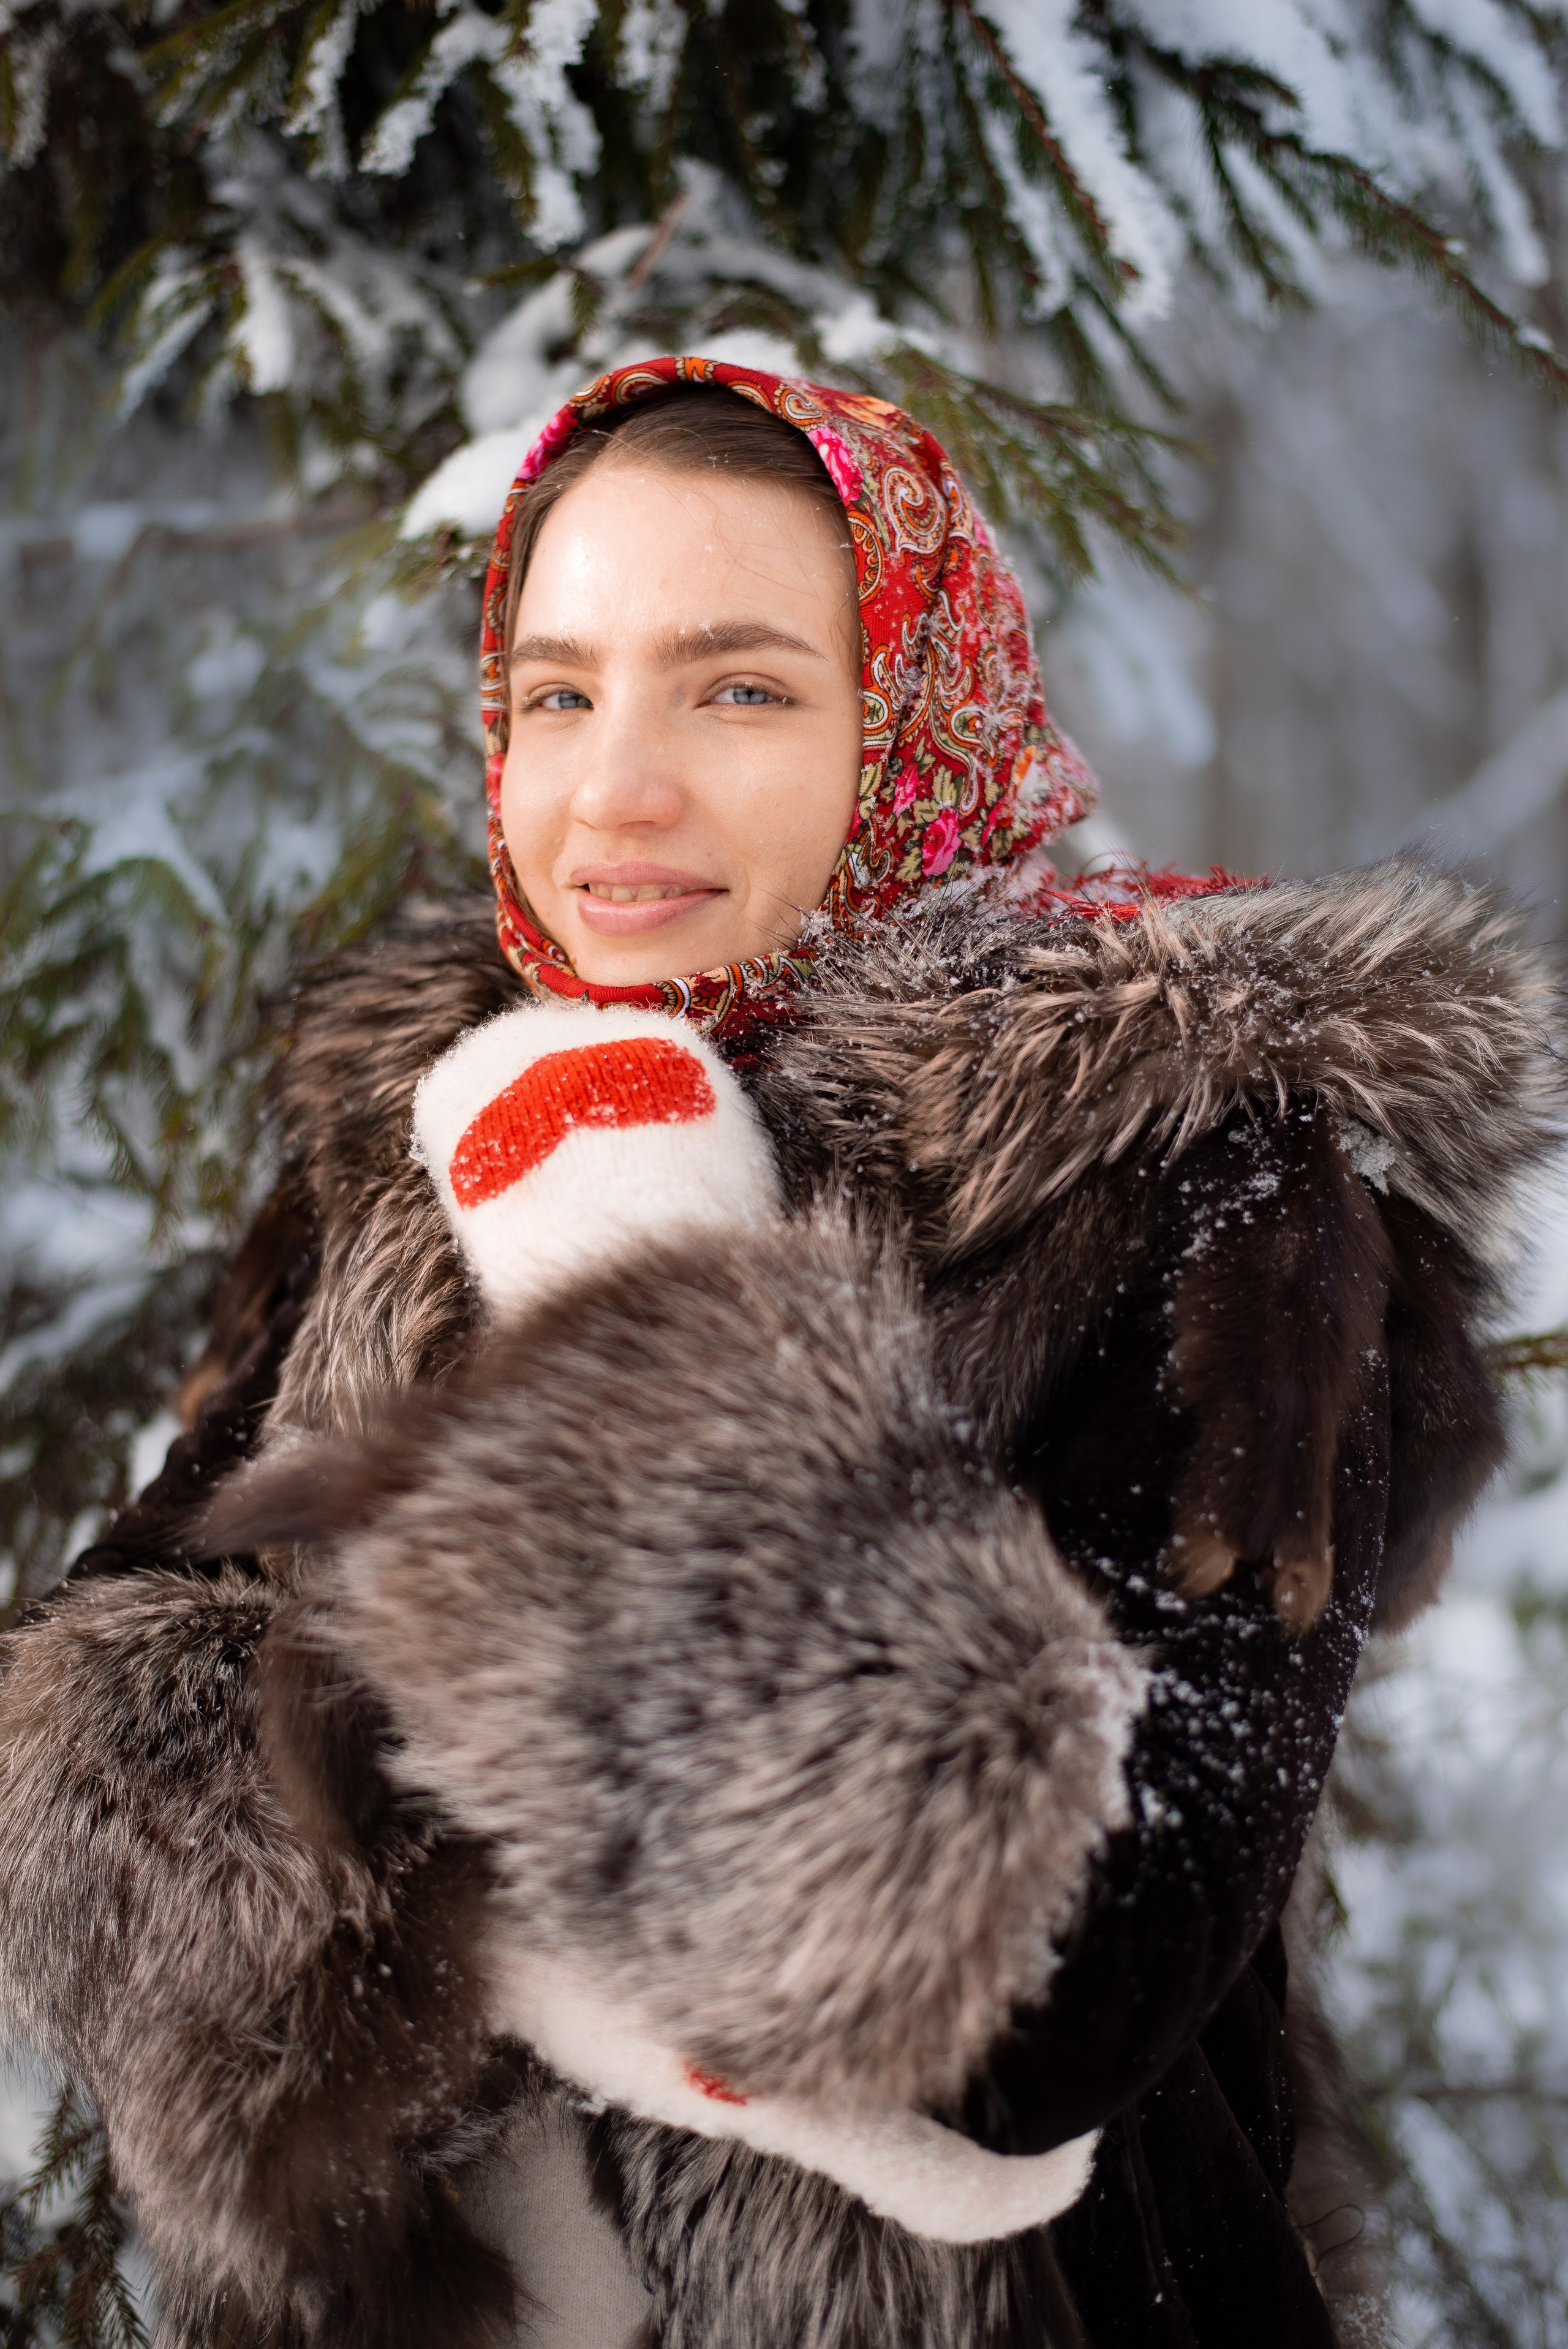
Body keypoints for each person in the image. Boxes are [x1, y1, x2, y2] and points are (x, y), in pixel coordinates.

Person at [0, 356, 1559, 2349]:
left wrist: (636, 1284)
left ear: (911, 714)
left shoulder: (1198, 1180)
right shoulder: (438, 1112)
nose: (614, 787)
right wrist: (551, 1894)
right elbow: (95, 1771)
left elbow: (1033, 2012)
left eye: (736, 686)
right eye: (558, 691)